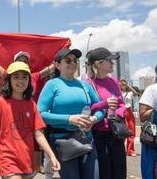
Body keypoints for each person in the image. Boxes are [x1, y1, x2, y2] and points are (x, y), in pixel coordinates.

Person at [0, 61, 60, 179]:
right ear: (9, 80)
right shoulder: (0, 103)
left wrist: (52, 156)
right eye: (16, 77)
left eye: (24, 77)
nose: (20, 81)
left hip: (27, 160)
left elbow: (39, 134)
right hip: (8, 160)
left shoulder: (31, 104)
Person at [38, 48, 103, 179]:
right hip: (63, 142)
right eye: (68, 60)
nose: (73, 63)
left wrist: (94, 119)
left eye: (75, 61)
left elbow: (101, 108)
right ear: (57, 65)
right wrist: (69, 119)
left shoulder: (85, 85)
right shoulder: (52, 84)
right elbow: (40, 114)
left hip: (86, 139)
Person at [85, 47, 126, 179]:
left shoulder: (113, 80)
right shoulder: (88, 83)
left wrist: (117, 115)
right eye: (109, 61)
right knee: (104, 172)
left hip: (116, 132)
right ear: (98, 63)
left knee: (119, 171)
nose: (112, 63)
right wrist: (104, 104)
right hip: (98, 135)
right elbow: (87, 109)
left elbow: (121, 103)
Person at [0, 38, 54, 102]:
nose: (22, 63)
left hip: (30, 115)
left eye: (25, 61)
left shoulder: (35, 76)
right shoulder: (8, 75)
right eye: (19, 61)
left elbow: (52, 67)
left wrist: (64, 49)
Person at [139, 63, 157, 179]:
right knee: (152, 171)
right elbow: (142, 115)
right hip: (155, 138)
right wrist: (156, 114)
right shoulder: (152, 89)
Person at [120, 79, 138, 157]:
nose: (123, 85)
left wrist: (128, 85)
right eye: (122, 84)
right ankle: (121, 150)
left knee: (132, 132)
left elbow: (136, 93)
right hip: (122, 112)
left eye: (124, 84)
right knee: (123, 132)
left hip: (129, 112)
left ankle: (130, 151)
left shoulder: (129, 93)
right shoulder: (119, 93)